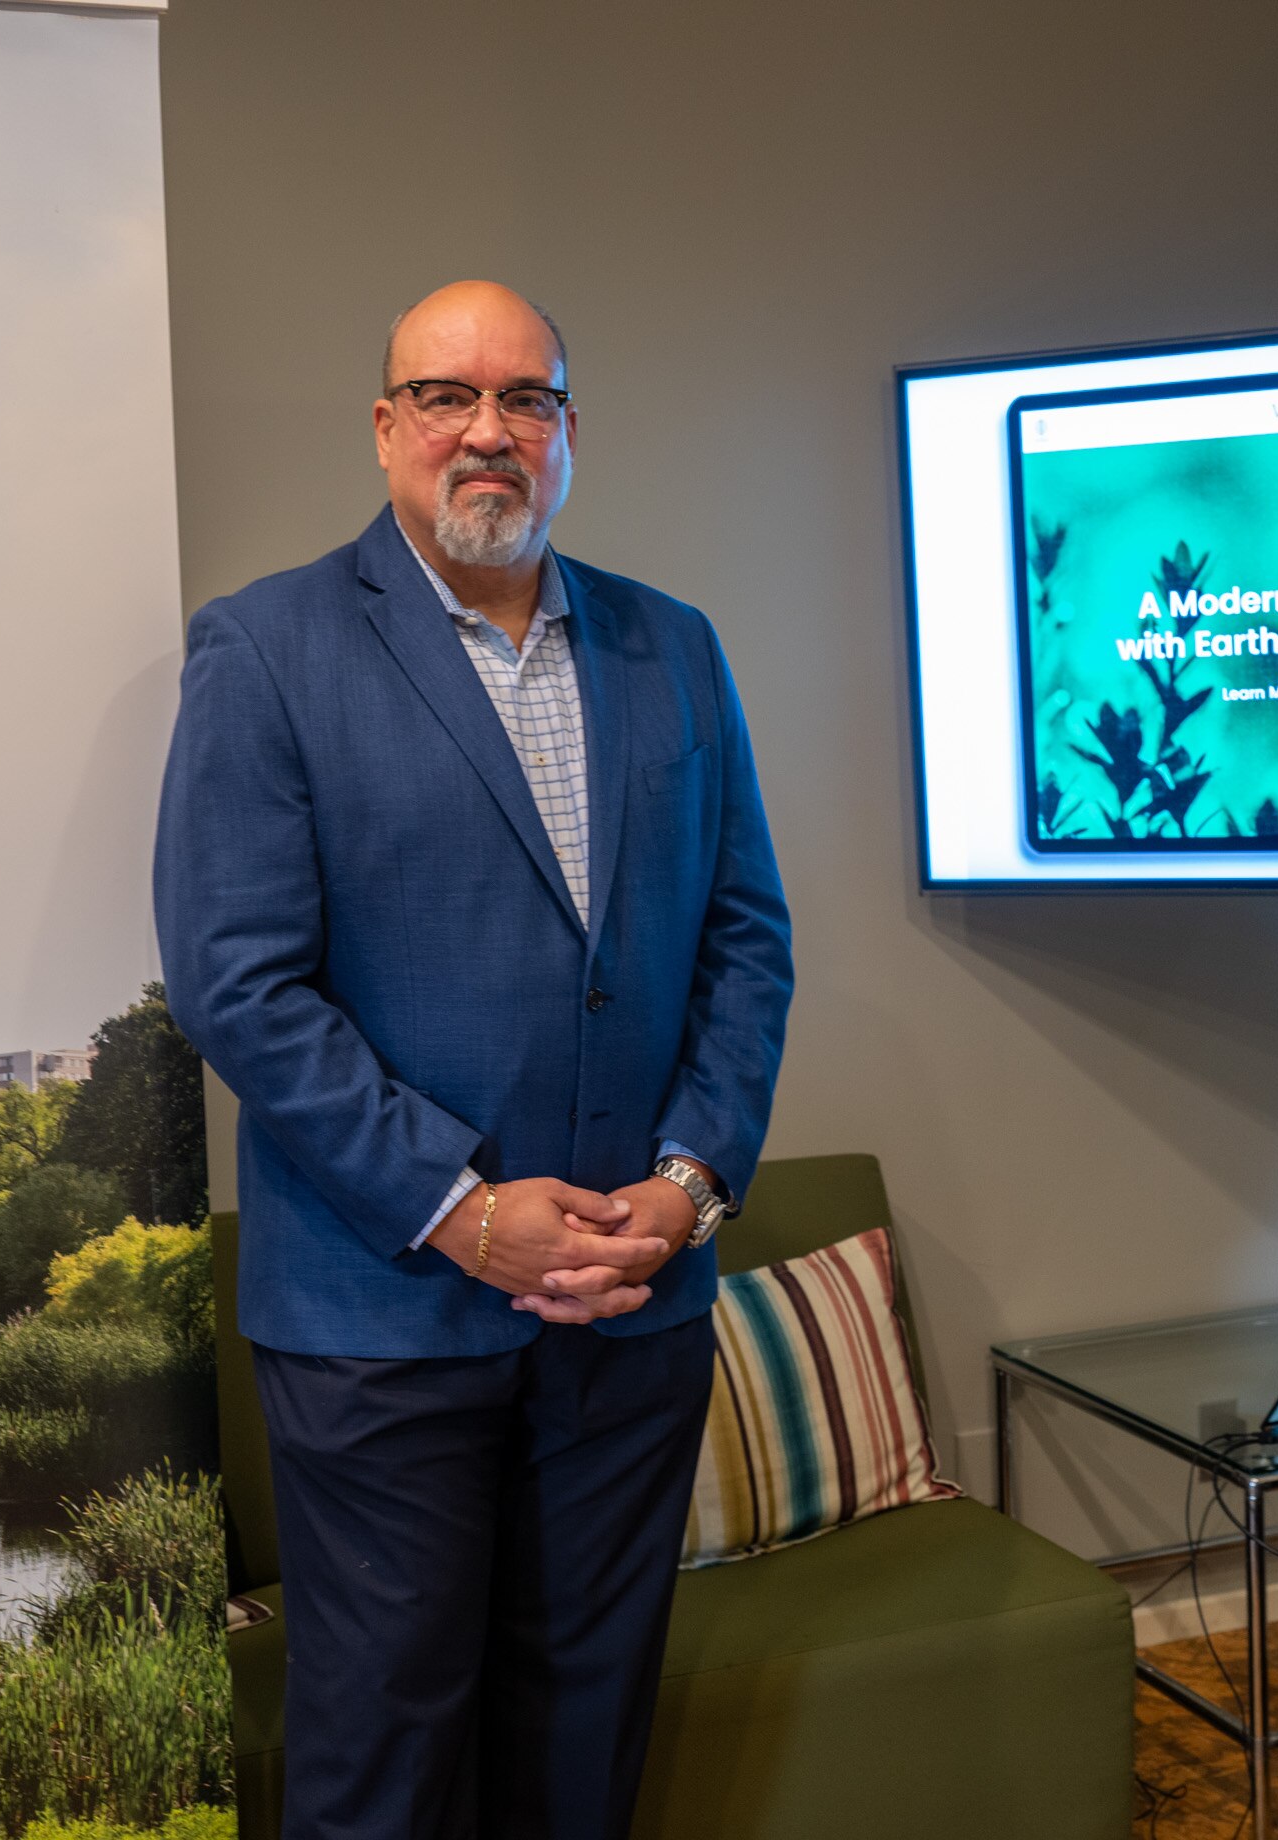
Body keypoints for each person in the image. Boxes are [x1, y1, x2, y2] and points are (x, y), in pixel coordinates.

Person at [154, 280, 794, 1840]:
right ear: (387, 428)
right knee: (386, 1764)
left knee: (584, 1745)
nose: (488, 432)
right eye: (447, 396)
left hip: (632, 1314)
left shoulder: (674, 648)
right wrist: (459, 1210)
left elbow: (745, 940)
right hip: (385, 1324)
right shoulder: (266, 648)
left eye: (528, 400)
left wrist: (688, 1187)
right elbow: (238, 986)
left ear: (570, 435)